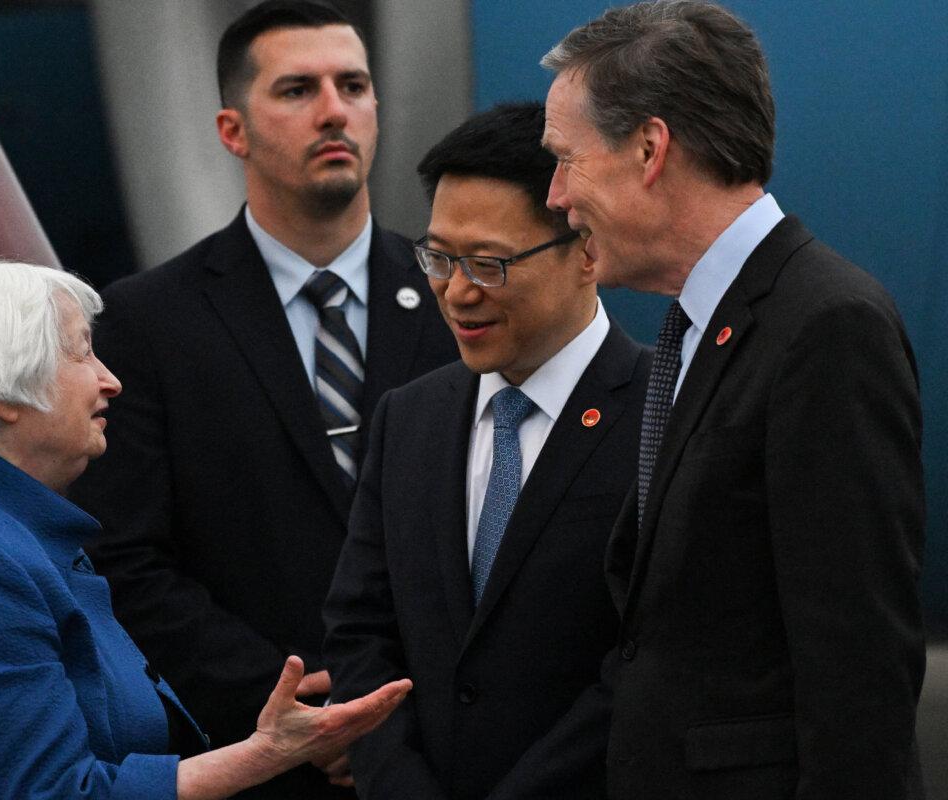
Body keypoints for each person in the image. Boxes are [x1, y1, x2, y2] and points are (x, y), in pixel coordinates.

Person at [0, 262, 412, 800]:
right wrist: (266, 754)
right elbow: (49, 795)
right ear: (1, 391)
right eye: (81, 354)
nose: (111, 381)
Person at [68, 2, 457, 796]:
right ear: (231, 130)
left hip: (445, 749)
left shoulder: (461, 303)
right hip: (260, 757)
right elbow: (126, 559)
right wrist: (289, 713)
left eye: (353, 84)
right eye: (296, 90)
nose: (333, 110)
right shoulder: (147, 322)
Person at [539, 2, 926, 798]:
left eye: (565, 160)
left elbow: (859, 672)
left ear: (649, 148)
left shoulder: (826, 326)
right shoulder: (694, 330)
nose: (554, 196)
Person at [322, 103, 651, 799]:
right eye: (439, 257)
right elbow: (361, 630)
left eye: (490, 264)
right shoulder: (408, 418)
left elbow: (652, 658)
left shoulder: (667, 416)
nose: (457, 292)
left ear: (587, 249)